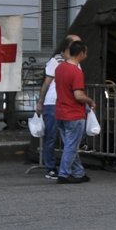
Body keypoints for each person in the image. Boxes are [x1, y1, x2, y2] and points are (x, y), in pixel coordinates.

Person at [38, 34, 81, 179]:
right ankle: (50, 167)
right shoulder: (56, 60)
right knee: (51, 136)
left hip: (66, 103)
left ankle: (72, 169)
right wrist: (41, 101)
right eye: (77, 43)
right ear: (68, 45)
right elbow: (46, 82)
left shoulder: (76, 61)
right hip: (52, 102)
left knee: (68, 138)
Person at [53, 41, 94, 183]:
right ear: (81, 53)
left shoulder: (60, 68)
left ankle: (79, 172)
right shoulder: (76, 71)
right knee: (71, 146)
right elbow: (78, 95)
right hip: (74, 113)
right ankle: (64, 174)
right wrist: (90, 101)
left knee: (70, 145)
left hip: (60, 111)